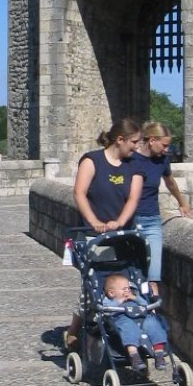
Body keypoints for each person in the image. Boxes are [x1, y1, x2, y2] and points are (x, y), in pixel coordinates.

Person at [65, 118, 143, 351]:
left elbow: (133, 198)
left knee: (125, 284)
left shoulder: (134, 165)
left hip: (123, 236)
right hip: (94, 236)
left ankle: (122, 331)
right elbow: (79, 193)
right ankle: (75, 329)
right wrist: (95, 222)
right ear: (120, 140)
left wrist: (119, 222)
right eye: (134, 142)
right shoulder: (92, 161)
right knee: (94, 286)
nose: (137, 147)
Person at [132, 122, 192, 296]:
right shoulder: (131, 159)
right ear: (152, 140)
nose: (167, 150)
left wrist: (182, 203)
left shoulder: (162, 161)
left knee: (153, 277)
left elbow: (170, 183)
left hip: (151, 221)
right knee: (130, 272)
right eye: (164, 145)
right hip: (130, 220)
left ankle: (152, 309)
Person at [101, 274, 168, 372]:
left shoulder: (133, 296)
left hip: (141, 317)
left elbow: (145, 304)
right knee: (129, 328)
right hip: (122, 318)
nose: (127, 291)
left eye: (128, 288)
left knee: (153, 324)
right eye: (124, 289)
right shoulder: (108, 300)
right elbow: (106, 309)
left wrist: (135, 298)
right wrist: (120, 300)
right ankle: (134, 356)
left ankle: (159, 354)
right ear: (111, 293)